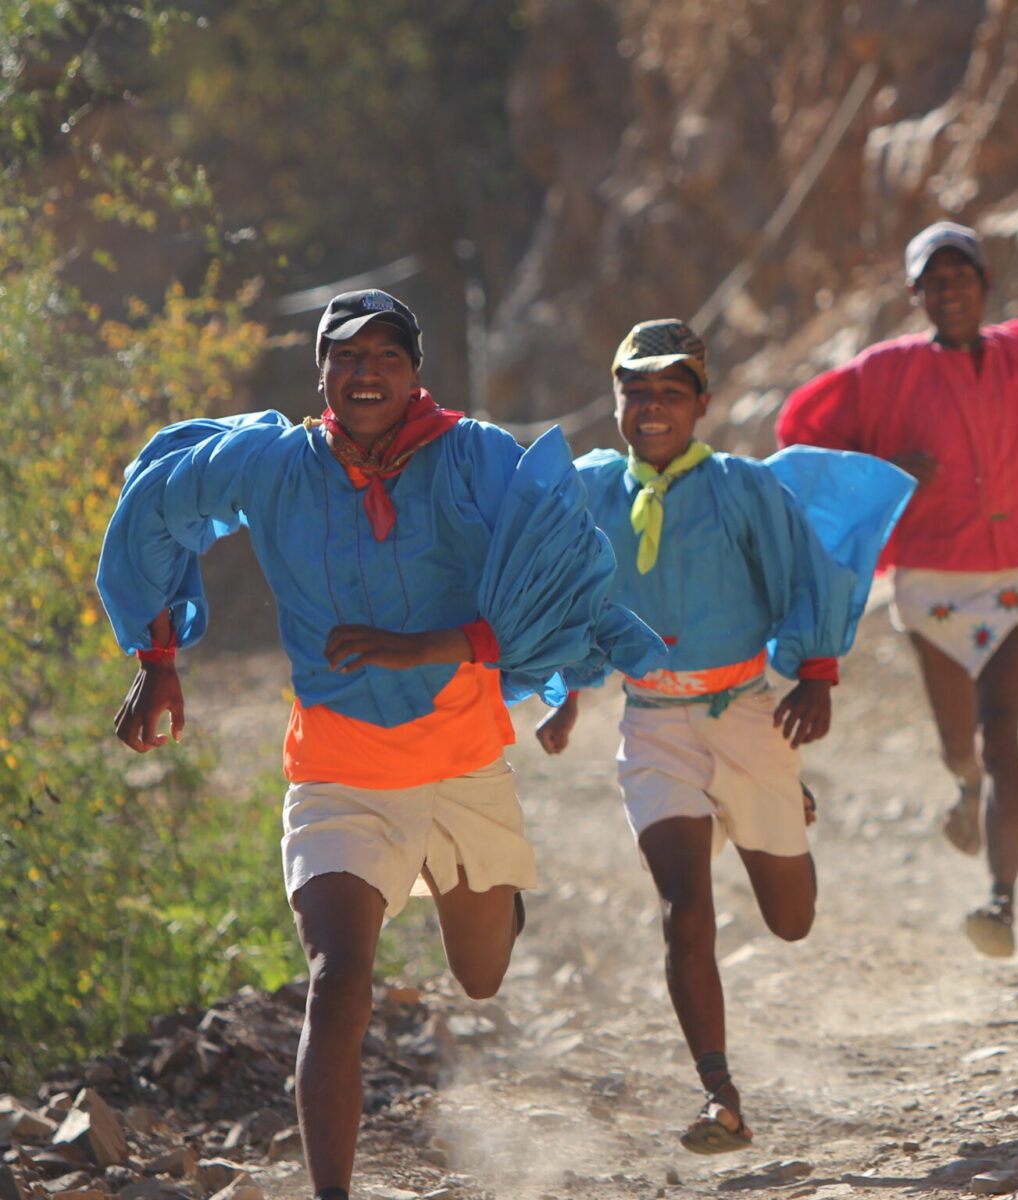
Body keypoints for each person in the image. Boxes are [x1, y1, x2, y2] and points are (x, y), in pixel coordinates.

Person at [97, 290, 666, 1200]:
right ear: (321, 372)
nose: (366, 372)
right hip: (338, 772)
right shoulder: (273, 464)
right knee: (339, 984)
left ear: (415, 372)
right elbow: (156, 500)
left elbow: (559, 568)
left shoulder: (474, 455)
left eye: (386, 356)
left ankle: (486, 896)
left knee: (480, 979)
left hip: (462, 761)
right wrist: (160, 656)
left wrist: (440, 647)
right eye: (347, 356)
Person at [535, 319, 911, 1154]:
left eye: (672, 391)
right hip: (652, 723)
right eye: (636, 389)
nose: (653, 406)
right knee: (683, 907)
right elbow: (576, 605)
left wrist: (816, 675)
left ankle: (779, 797)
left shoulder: (742, 490)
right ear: (617, 400)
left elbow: (803, 578)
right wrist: (566, 696)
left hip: (745, 711)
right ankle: (719, 1093)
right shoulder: (593, 492)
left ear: (702, 403)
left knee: (791, 919)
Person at [777, 221, 1018, 956]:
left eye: (961, 276)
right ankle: (965, 789)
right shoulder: (882, 371)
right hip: (931, 579)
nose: (949, 290)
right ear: (915, 294)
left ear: (984, 284)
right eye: (934, 280)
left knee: (1004, 736)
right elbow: (805, 435)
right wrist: (886, 468)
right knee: (958, 743)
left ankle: (1001, 900)